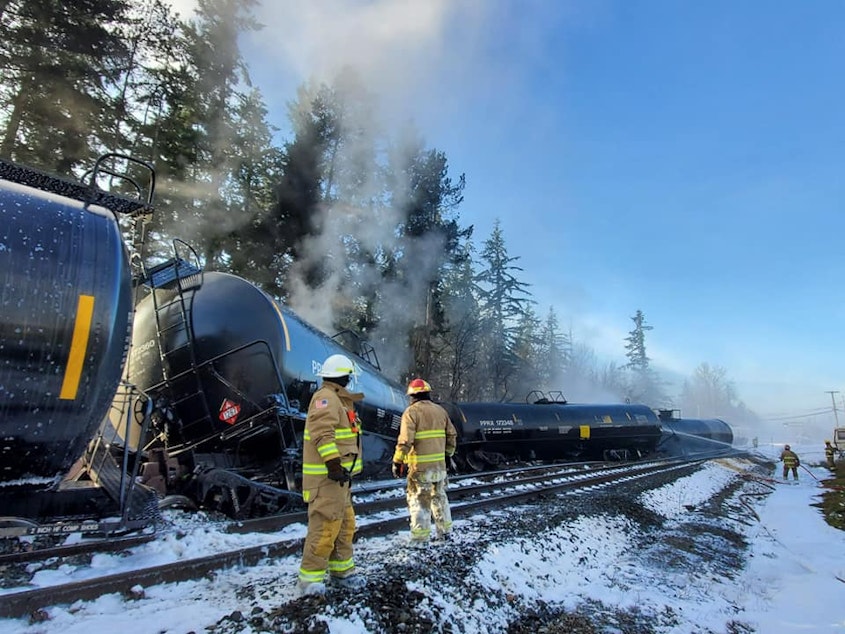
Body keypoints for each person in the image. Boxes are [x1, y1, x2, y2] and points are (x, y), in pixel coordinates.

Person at [297, 354, 366, 594]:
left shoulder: (339, 399)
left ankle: (342, 573)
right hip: (327, 481)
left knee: (344, 527)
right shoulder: (325, 398)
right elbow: (322, 434)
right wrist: (333, 465)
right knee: (324, 528)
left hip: (339, 482)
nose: (350, 380)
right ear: (342, 375)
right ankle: (310, 582)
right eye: (348, 375)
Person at [392, 378, 458, 546]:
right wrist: (447, 455)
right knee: (440, 498)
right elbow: (452, 435)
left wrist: (398, 461)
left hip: (420, 468)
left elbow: (406, 440)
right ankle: (445, 532)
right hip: (439, 467)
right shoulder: (440, 411)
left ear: (413, 396)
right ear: (428, 393)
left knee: (420, 500)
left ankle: (421, 539)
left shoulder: (411, 412)